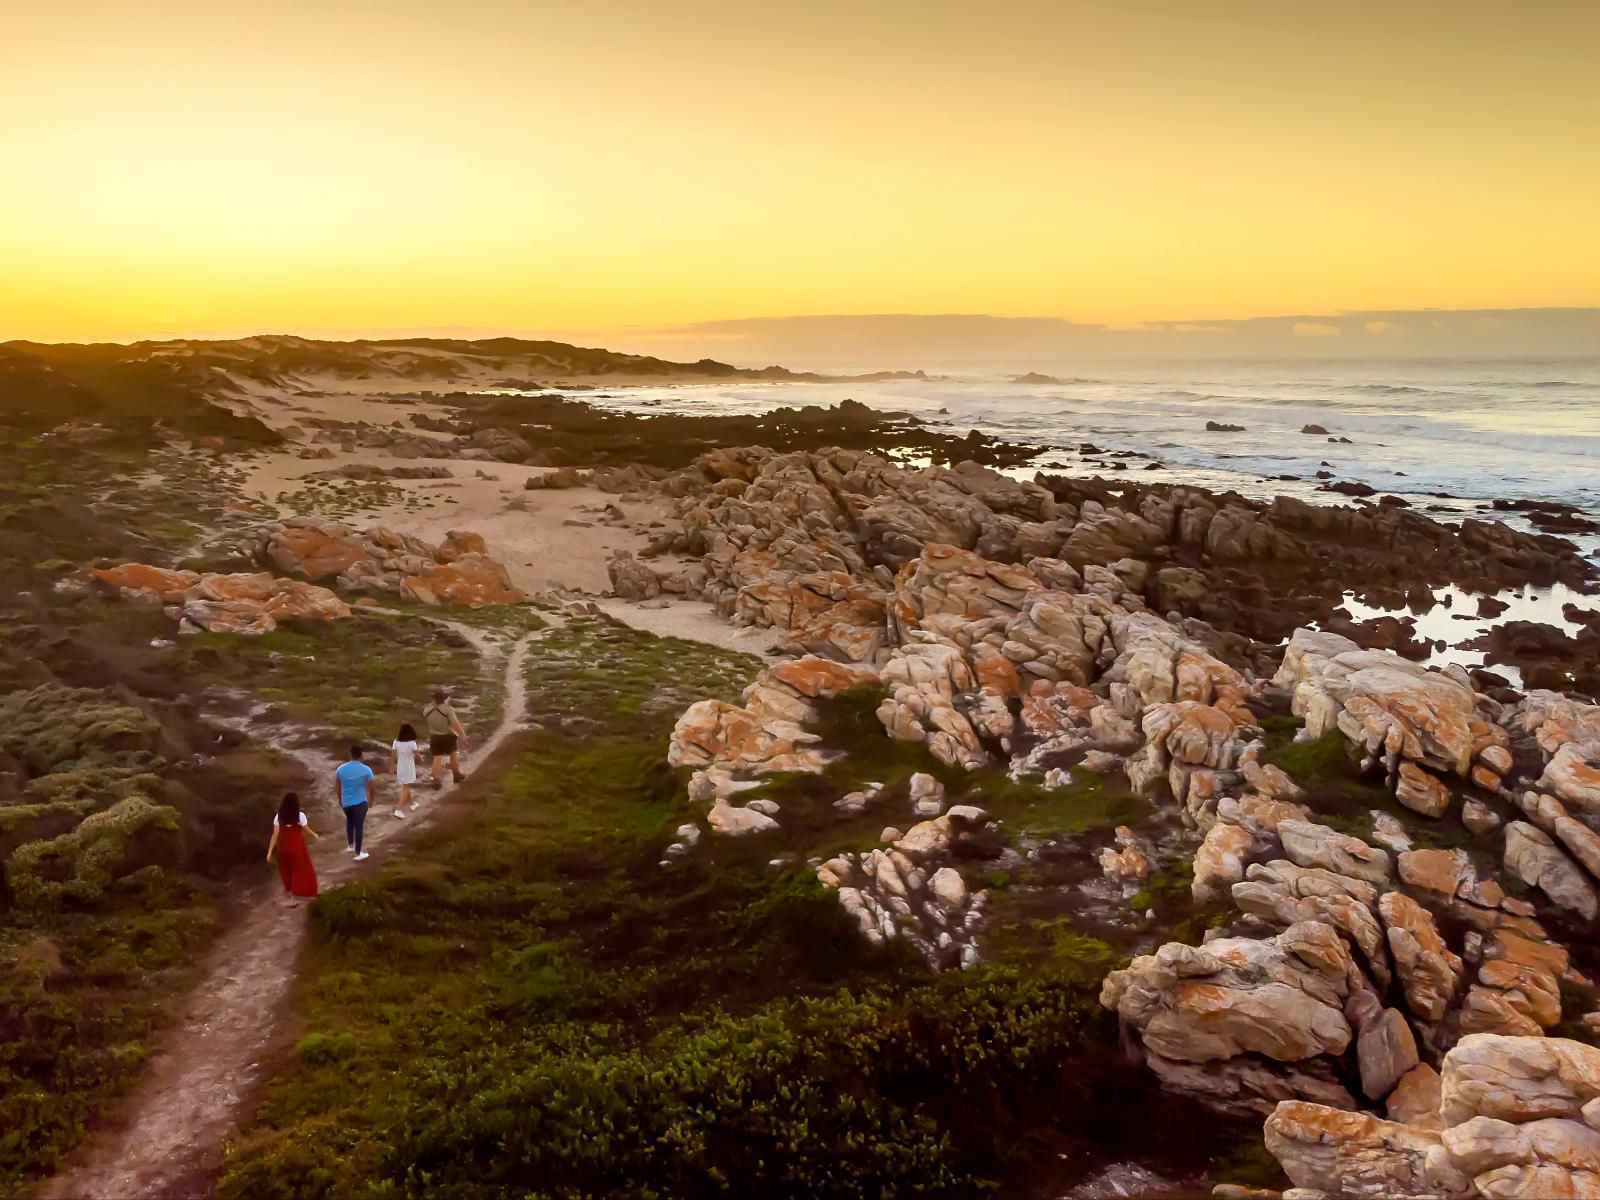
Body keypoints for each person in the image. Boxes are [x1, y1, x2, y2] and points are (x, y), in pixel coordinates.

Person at [266, 791, 320, 901]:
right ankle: (296, 895)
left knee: (286, 869)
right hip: (296, 846)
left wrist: (270, 852)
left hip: (283, 847)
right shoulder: (300, 816)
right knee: (301, 869)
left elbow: (275, 835)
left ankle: (289, 891)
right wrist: (314, 834)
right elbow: (306, 829)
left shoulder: (278, 817)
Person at [335, 744, 376, 861]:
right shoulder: (366, 770)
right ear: (361, 755)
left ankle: (350, 845)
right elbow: (371, 788)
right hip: (360, 802)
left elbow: (337, 787)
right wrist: (371, 800)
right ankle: (358, 853)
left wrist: (340, 799)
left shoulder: (340, 769)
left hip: (346, 802)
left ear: (350, 754)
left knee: (350, 821)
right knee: (359, 826)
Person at [423, 689, 469, 788]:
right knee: (453, 755)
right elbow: (455, 724)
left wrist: (433, 704)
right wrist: (462, 735)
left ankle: (436, 781)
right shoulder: (448, 709)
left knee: (437, 758)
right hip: (447, 736)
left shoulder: (427, 710)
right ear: (443, 699)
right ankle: (456, 775)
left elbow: (427, 712)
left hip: (434, 736)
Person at [390, 722, 421, 817]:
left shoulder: (396, 741)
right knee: (407, 787)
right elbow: (417, 756)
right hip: (409, 767)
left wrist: (391, 767)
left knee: (406, 785)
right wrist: (421, 758)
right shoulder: (412, 743)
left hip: (400, 767)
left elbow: (392, 756)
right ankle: (398, 809)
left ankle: (412, 803)